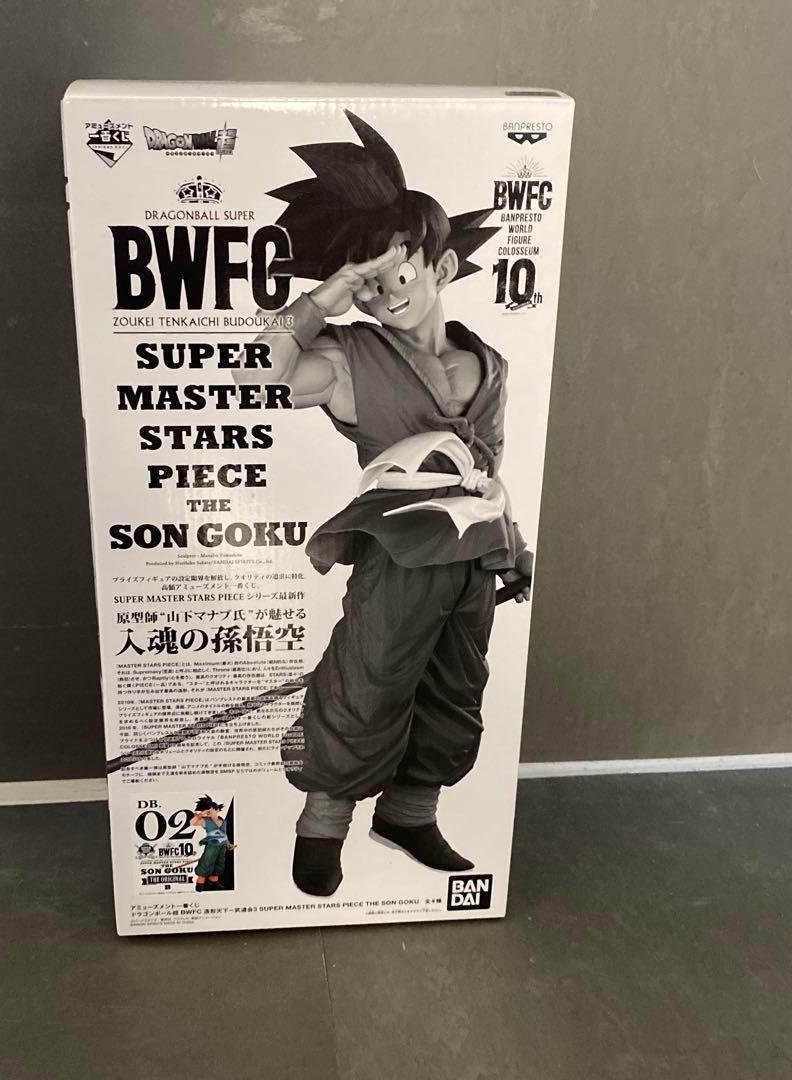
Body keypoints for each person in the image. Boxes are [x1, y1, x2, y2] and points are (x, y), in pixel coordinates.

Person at [246, 111, 534, 897]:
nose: (382, 297)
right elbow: (260, 376)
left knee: (456, 686)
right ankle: (322, 824)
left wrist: (510, 538)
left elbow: (489, 463)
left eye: (396, 276)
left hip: (475, 554)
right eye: (366, 287)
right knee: (365, 679)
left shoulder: (489, 362)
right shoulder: (349, 358)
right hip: (400, 553)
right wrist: (327, 296)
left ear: (442, 266)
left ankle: (410, 813)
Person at [191, 795, 236, 891]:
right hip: (211, 846)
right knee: (206, 863)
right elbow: (192, 822)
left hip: (222, 846)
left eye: (210, 810)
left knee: (219, 864)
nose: (209, 812)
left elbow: (224, 835)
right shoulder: (205, 821)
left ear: (216, 809)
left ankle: (213, 882)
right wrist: (201, 814)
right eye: (207, 811)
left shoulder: (223, 821)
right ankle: (200, 884)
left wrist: (228, 844)